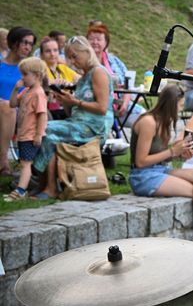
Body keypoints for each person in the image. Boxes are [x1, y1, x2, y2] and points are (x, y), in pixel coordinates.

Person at [129, 85, 193, 278]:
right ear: (172, 104)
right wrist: (172, 151)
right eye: (181, 105)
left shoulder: (164, 121)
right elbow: (140, 161)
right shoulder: (149, 122)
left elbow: (160, 156)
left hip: (159, 170)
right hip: (143, 177)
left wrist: (181, 155)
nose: (181, 109)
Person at [33, 36, 114, 199]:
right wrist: (67, 102)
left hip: (95, 127)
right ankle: (43, 184)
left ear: (86, 52)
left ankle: (48, 187)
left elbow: (102, 108)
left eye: (74, 56)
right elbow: (75, 113)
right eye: (69, 57)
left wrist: (75, 101)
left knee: (48, 129)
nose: (72, 61)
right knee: (45, 127)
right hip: (80, 123)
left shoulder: (98, 73)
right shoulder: (84, 77)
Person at [4, 58, 48, 201]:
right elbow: (12, 104)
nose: (22, 78)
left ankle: (21, 191)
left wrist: (39, 134)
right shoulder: (27, 91)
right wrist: (16, 89)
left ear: (37, 75)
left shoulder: (38, 94)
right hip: (23, 134)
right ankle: (23, 189)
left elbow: (42, 115)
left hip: (30, 135)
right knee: (24, 162)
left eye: (25, 74)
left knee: (25, 163)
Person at [87, 23, 144, 128]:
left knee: (147, 120)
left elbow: (128, 84)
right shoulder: (83, 61)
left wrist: (125, 103)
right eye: (91, 39)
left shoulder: (115, 61)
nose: (95, 42)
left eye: (99, 39)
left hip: (121, 107)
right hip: (95, 110)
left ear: (106, 43)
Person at [0, 27, 35, 176]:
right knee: (5, 106)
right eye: (24, 42)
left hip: (21, 110)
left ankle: (2, 161)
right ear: (14, 43)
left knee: (7, 106)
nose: (27, 47)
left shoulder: (29, 70)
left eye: (30, 44)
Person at [40, 36, 80, 120]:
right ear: (42, 54)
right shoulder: (41, 69)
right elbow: (41, 83)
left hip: (70, 107)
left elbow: (81, 80)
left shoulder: (63, 68)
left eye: (55, 50)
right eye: (48, 51)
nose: (52, 54)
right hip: (52, 109)